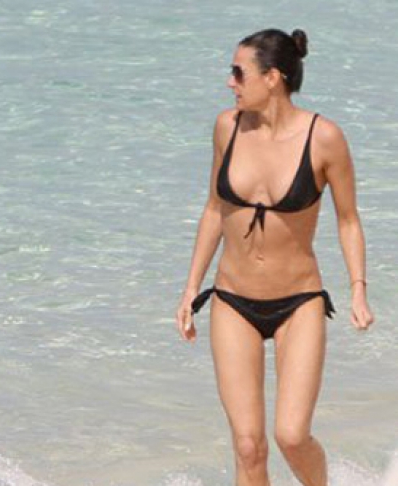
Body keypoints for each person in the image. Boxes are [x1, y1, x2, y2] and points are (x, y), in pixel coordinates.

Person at [175, 29, 373, 486]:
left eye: (238, 72)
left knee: (291, 436)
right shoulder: (227, 128)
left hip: (298, 302)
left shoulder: (324, 138)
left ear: (272, 78)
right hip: (232, 300)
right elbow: (214, 209)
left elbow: (348, 220)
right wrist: (190, 289)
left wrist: (358, 290)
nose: (230, 82)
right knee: (248, 446)